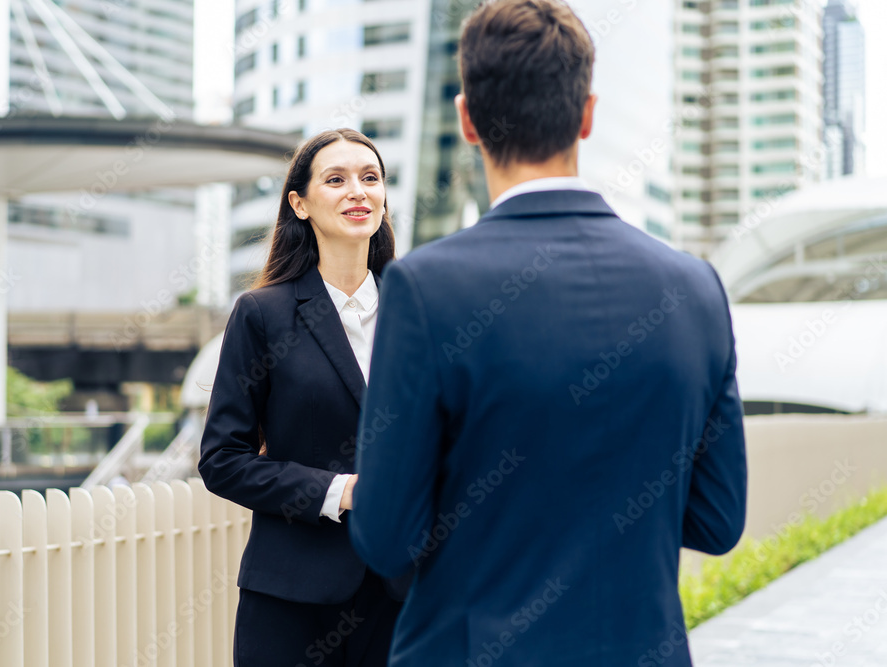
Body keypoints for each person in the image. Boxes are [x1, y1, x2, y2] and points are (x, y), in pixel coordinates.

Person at [349, 1, 748, 665]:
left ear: (468, 119)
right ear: (587, 115)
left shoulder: (425, 289)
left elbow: (388, 538)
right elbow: (717, 518)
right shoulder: (694, 288)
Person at [199, 129, 407, 666]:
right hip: (291, 602)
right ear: (300, 203)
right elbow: (222, 460)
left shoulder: (421, 314)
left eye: (370, 178)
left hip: (405, 595)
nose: (357, 192)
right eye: (335, 180)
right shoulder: (262, 314)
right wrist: (342, 492)